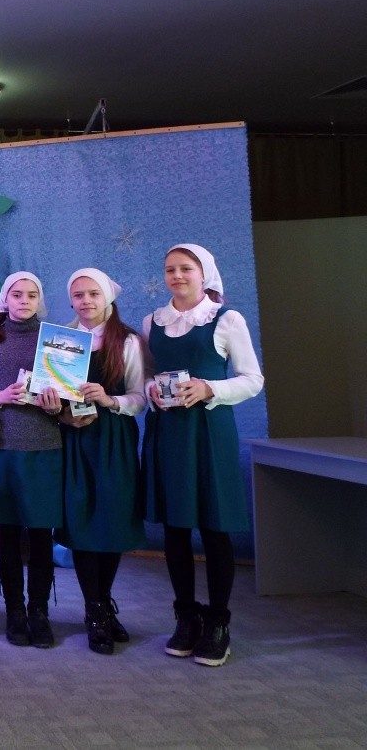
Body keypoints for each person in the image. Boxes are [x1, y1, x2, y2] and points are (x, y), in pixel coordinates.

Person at [142, 244, 263, 667]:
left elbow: (252, 379)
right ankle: (186, 618)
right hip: (169, 432)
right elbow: (147, 376)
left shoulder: (226, 319)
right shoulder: (153, 321)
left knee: (214, 529)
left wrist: (211, 388)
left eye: (185, 269)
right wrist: (151, 389)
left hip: (210, 432)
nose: (177, 276)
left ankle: (218, 624)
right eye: (170, 269)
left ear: (204, 272)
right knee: (176, 529)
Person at [55, 269, 147, 655]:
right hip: (75, 438)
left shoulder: (128, 341)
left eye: (93, 294)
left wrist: (110, 400)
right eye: (79, 295)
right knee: (82, 523)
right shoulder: (61, 339)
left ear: (107, 297)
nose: (86, 301)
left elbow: (141, 397)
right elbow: (50, 391)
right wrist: (60, 412)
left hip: (113, 439)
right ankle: (94, 609)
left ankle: (104, 602)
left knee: (111, 520)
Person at [0, 271, 64, 649]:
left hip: (44, 446)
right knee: (8, 535)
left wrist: (60, 403)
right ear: (5, 299)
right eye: (17, 294)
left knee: (41, 535)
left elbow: (70, 389)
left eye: (31, 295)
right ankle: (14, 612)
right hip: (2, 446)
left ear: (39, 300)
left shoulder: (55, 339)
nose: (24, 301)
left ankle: (39, 612)